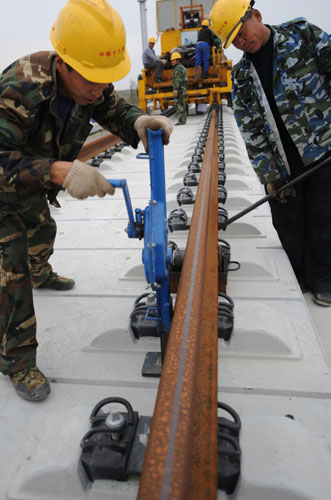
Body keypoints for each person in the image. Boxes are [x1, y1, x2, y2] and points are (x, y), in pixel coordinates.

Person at [0, 0, 173, 402]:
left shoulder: (89, 79)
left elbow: (112, 108)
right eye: (93, 79)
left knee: (43, 227)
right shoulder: (19, 91)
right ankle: (17, 361)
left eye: (105, 78)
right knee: (13, 272)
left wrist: (137, 123)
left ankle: (40, 273)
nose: (99, 88)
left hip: (28, 181)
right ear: (63, 63)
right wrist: (56, 172)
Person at [210, 0, 331, 306]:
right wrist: (269, 176)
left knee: (324, 219)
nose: (241, 41)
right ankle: (301, 280)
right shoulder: (240, 77)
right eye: (233, 40)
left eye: (241, 32)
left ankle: (324, 281)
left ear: (257, 16)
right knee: (289, 223)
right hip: (282, 163)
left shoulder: (302, 35)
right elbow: (251, 130)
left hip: (322, 150)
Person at [171, 52, 188, 126]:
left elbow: (178, 80)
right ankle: (183, 120)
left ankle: (181, 120)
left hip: (179, 90)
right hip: (182, 89)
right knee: (182, 104)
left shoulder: (178, 69)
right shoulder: (182, 67)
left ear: (177, 60)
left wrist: (176, 90)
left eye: (173, 60)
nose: (172, 61)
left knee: (179, 105)